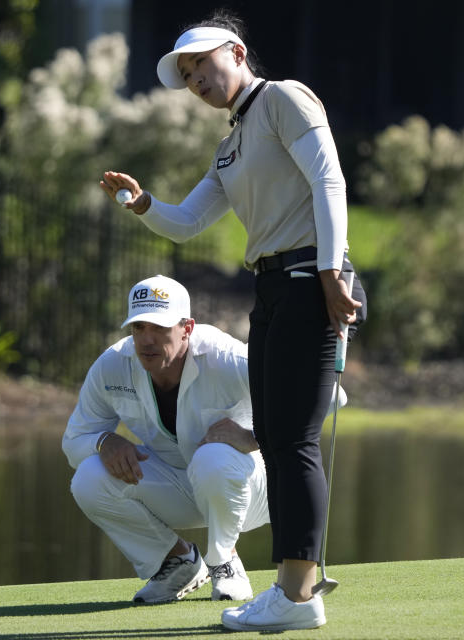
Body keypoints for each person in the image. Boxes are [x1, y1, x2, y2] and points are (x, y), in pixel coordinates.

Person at [99, 9, 367, 632]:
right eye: (187, 76)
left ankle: (297, 597)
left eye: (201, 65)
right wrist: (139, 204)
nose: (195, 81)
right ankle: (296, 591)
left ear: (237, 53)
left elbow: (329, 178)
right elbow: (188, 222)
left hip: (311, 278)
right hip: (273, 288)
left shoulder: (283, 100)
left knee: (293, 441)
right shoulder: (231, 147)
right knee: (275, 435)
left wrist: (331, 271)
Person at [62, 274, 270, 604]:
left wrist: (255, 436)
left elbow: (330, 396)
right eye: (139, 327)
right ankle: (178, 562)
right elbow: (74, 440)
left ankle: (225, 561)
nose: (147, 340)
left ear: (187, 328)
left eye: (159, 328)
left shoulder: (227, 357)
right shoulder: (113, 365)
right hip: (180, 486)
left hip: (251, 488)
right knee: (88, 478)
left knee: (213, 456)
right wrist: (105, 441)